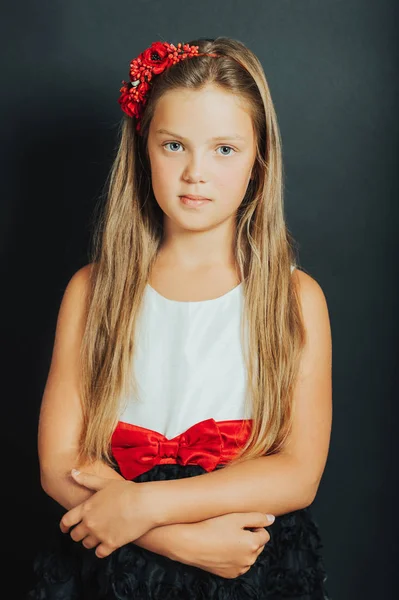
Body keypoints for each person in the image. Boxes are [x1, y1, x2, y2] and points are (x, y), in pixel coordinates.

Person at [27, 36, 332, 599]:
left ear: (258, 160)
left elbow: (298, 473)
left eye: (223, 150)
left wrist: (143, 506)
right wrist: (174, 541)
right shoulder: (93, 290)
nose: (196, 172)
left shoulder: (293, 298)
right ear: (143, 149)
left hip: (247, 564)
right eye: (174, 146)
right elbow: (58, 465)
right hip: (110, 563)